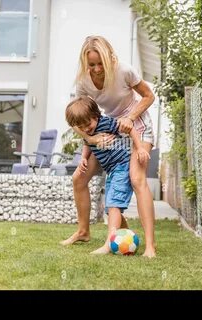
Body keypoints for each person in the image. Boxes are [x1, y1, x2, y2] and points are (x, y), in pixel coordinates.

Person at [60, 35, 157, 258]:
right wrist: (92, 140)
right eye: (91, 64)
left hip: (135, 123)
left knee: (136, 177)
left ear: (110, 58)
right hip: (107, 128)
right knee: (79, 178)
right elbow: (78, 119)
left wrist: (131, 117)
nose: (95, 69)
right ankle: (83, 231)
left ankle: (150, 246)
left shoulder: (124, 71)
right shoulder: (83, 81)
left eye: (100, 63)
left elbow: (148, 96)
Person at [65, 96, 150, 254]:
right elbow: (87, 143)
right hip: (112, 170)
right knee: (110, 206)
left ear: (96, 117)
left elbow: (131, 128)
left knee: (113, 204)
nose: (86, 129)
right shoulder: (88, 131)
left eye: (88, 124)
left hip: (122, 166)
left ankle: (108, 244)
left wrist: (139, 149)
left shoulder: (106, 123)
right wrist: (84, 158)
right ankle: (125, 237)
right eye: (81, 127)